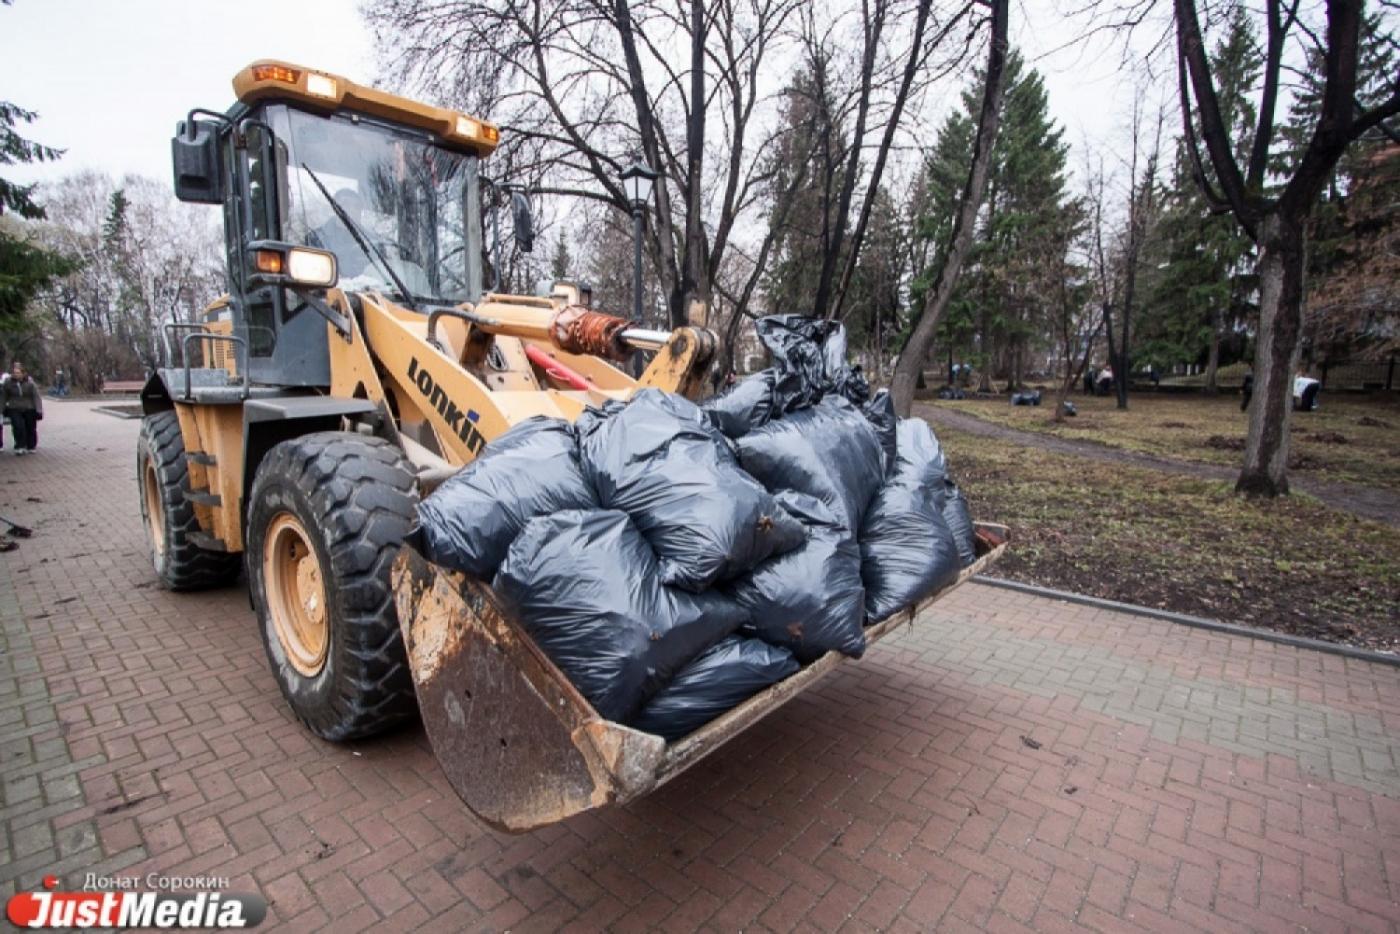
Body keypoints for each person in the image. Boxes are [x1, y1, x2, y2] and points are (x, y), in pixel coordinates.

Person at [307, 188, 371, 277]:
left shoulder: (373, 242)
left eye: (357, 206)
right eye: (346, 204)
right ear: (335, 208)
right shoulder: (316, 238)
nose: (352, 209)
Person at [2, 362, 43, 454]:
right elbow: (4, 397)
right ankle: (19, 445)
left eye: (18, 373)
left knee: (30, 426)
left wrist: (39, 410)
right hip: (14, 407)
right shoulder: (8, 383)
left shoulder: (29, 382)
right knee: (18, 426)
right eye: (14, 373)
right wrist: (2, 408)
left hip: (29, 407)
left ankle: (31, 445)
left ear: (23, 373)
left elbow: (36, 396)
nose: (16, 375)